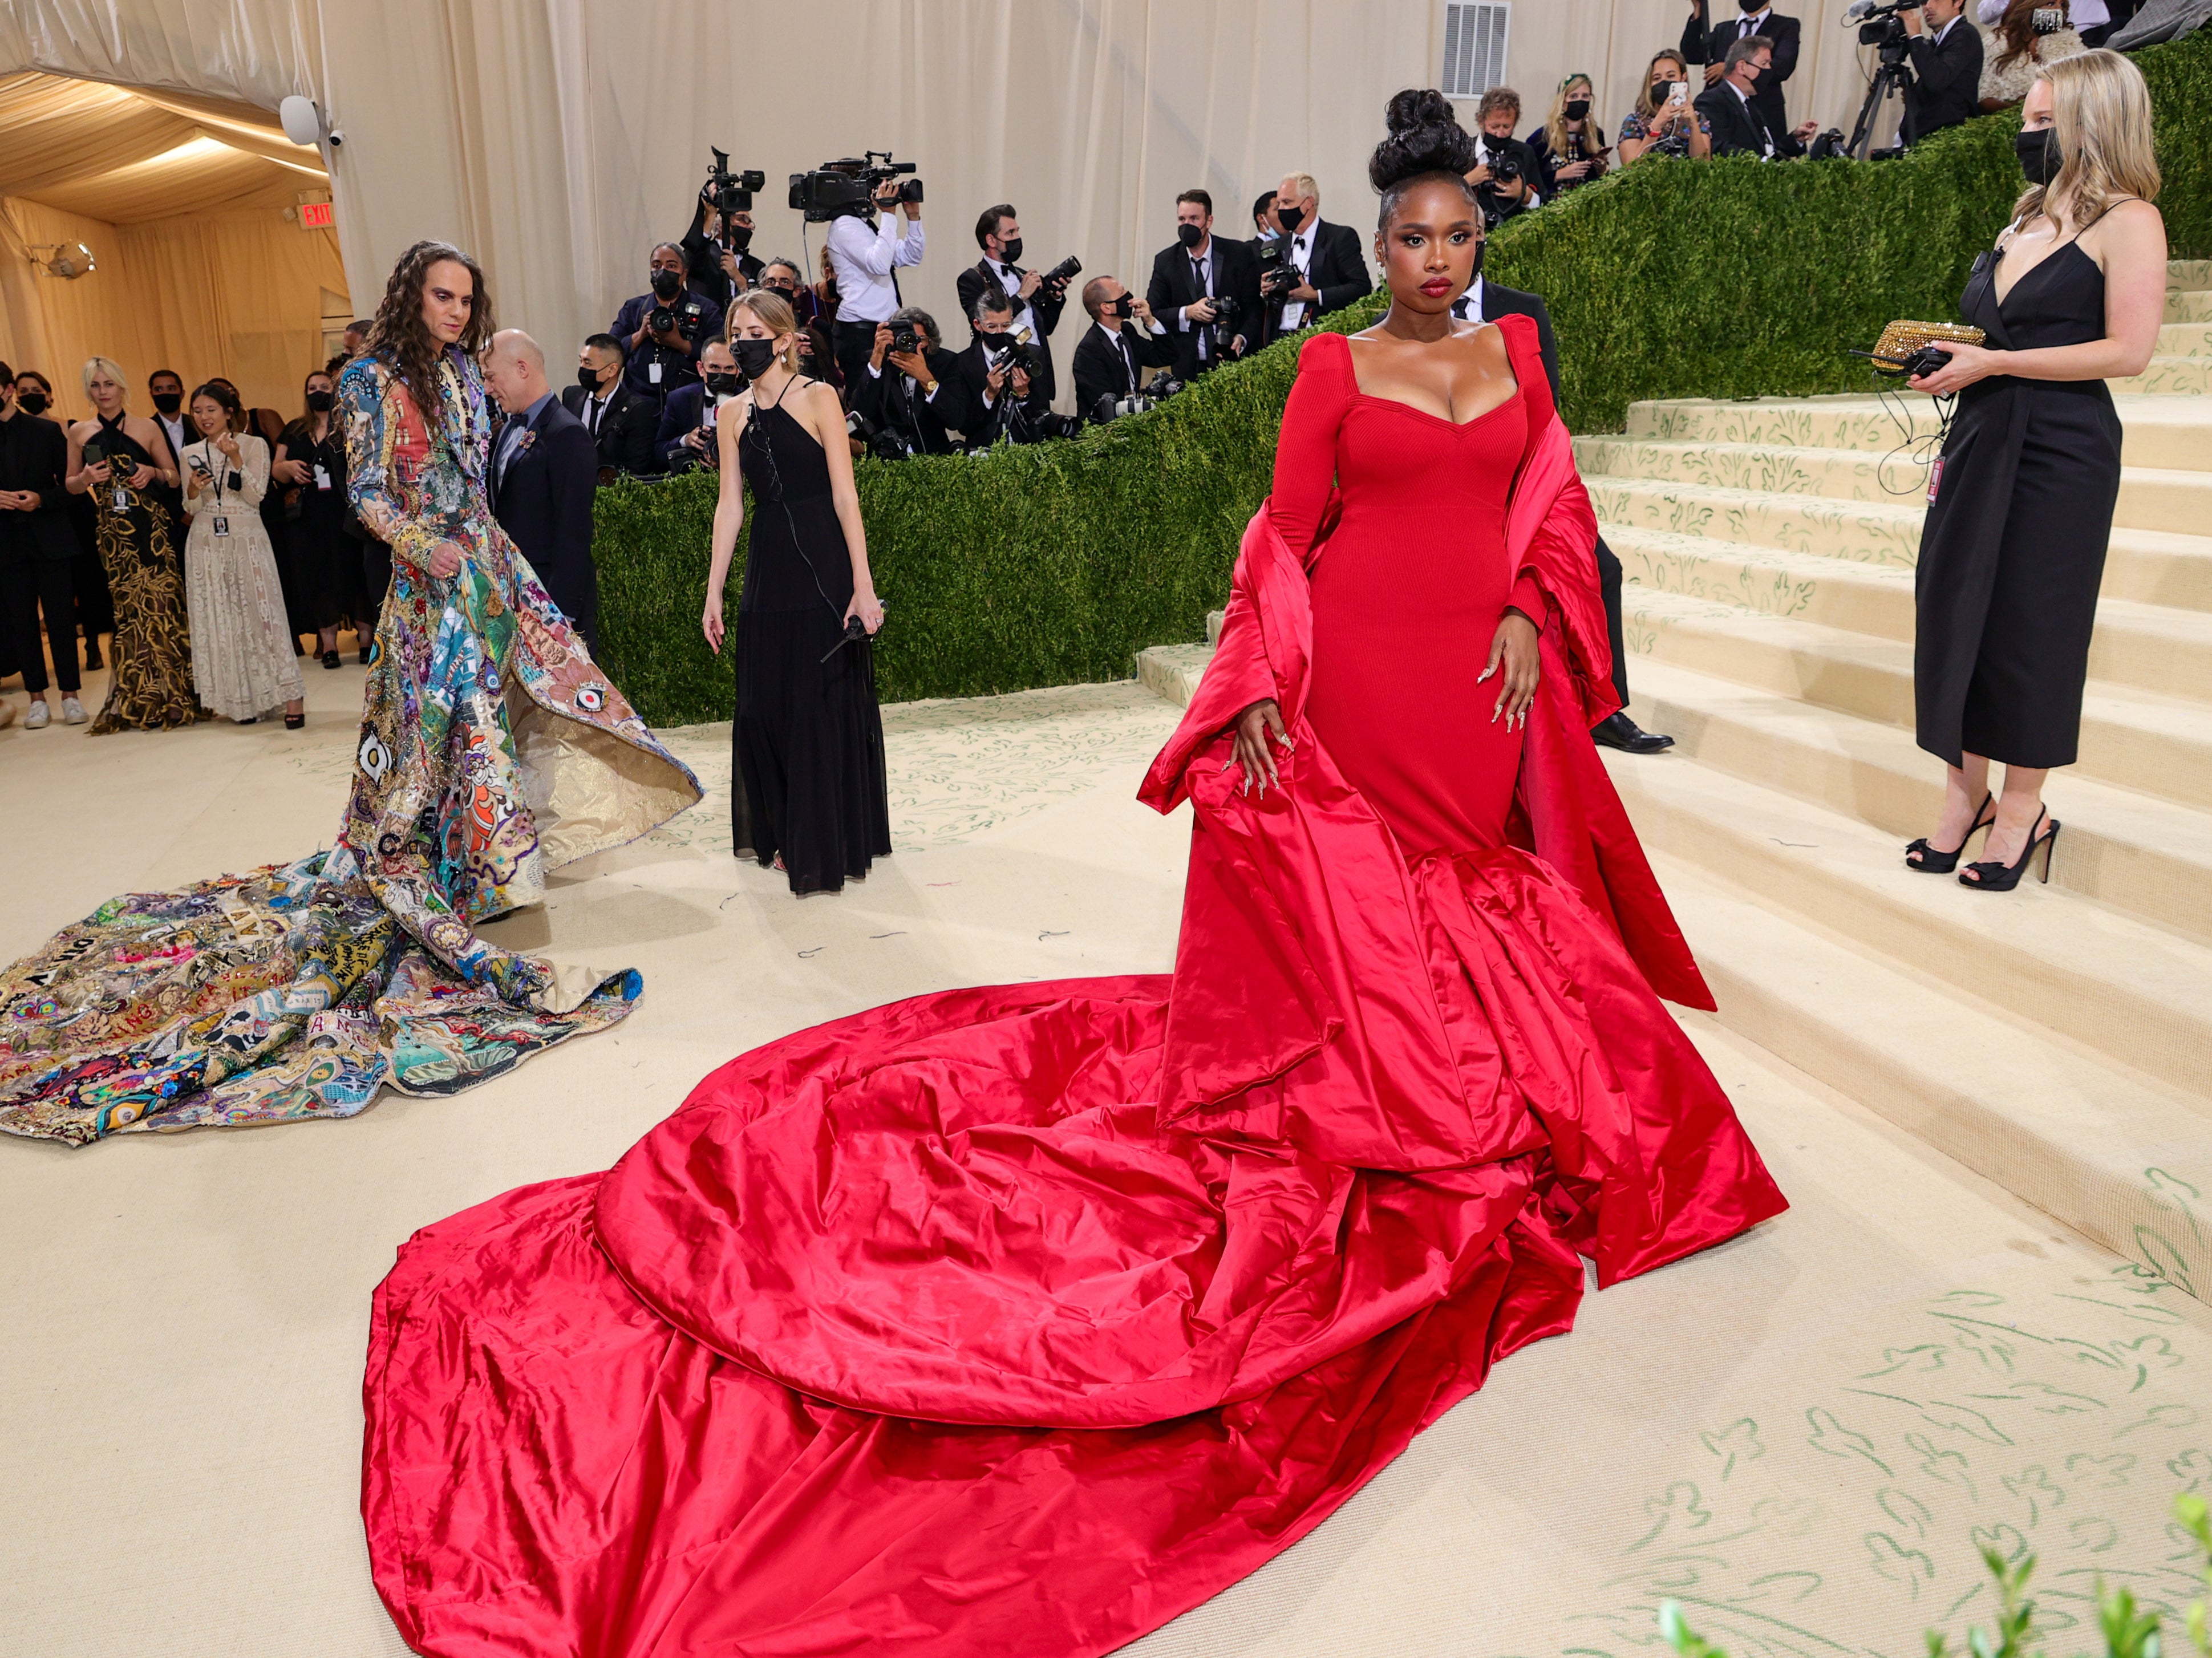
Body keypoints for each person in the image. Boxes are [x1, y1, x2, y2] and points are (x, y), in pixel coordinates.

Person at [356, 92, 1783, 1658]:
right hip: (1361, 674)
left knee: (1492, 905)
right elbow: (1283, 537)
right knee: (1381, 922)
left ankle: (1476, 1085)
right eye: (1410, 239)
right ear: (1374, 247)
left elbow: (1552, 503)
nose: (1436, 260)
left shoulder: (1517, 356)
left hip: (1475, 680)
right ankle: (1415, 1091)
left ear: (1478, 236)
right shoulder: (1327, 364)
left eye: (1457, 235)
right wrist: (1250, 688)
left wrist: (1528, 606)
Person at [0, 239, 700, 1145]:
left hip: (481, 570)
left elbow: (470, 478)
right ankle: (434, 871)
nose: (455, 310)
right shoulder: (370, 380)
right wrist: (425, 549)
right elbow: (365, 494)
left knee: (501, 718)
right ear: (412, 295)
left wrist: (482, 554)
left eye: (466, 299)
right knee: (432, 739)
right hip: (425, 584)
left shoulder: (460, 375)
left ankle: (485, 870)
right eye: (442, 295)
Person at [1905, 50, 2165, 890]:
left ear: (2096, 122)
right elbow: (2002, 336)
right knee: (1954, 609)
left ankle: (2020, 810)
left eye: (2046, 122)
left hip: (2062, 448)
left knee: (2030, 629)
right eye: (2028, 119)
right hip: (1981, 433)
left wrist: (1998, 367)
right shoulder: (2021, 215)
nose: (2029, 132)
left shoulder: (2128, 220)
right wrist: (1958, 357)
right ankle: (1961, 793)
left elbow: (2127, 351)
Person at [1446, 242, 1674, 754]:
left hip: (1523, 475)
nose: (1447, 252)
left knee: (1602, 568)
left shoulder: (1523, 308)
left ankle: (1606, 710)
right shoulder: (1405, 317)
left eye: (1464, 234)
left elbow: (1546, 402)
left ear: (1479, 239)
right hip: (1456, 486)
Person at [700, 287, 890, 894]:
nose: (743, 342)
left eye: (755, 331)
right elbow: (729, 506)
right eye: (736, 331)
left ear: (783, 340)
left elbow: (844, 495)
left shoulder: (818, 396)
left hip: (823, 562)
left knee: (817, 704)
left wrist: (863, 588)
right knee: (764, 705)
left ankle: (820, 837)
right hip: (767, 562)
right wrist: (714, 592)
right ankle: (781, 828)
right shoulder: (730, 412)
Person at [63, 356, 200, 733]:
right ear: (88, 391)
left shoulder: (146, 427)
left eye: (108, 384)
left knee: (162, 608)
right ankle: (143, 699)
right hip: (113, 534)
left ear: (122, 387)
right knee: (130, 617)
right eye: (95, 385)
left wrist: (153, 472)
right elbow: (70, 485)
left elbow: (174, 478)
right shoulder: (79, 431)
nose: (103, 392)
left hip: (152, 530)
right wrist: (86, 477)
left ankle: (175, 698)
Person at [177, 380, 305, 727]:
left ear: (229, 412)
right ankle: (242, 701)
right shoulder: (189, 451)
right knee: (223, 619)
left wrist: (235, 457)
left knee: (265, 615)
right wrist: (193, 487)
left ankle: (292, 697)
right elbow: (189, 505)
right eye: (198, 411)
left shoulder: (254, 444)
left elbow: (256, 496)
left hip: (247, 537)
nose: (204, 417)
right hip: (206, 541)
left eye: (211, 410)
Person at [484, 329, 601, 652]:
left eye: (492, 377)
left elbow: (574, 530)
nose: (487, 388)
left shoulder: (567, 434)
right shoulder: (509, 427)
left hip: (550, 605)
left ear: (522, 369)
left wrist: (560, 615)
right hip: (512, 598)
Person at [0, 359, 84, 728]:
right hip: (5, 542)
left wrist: (40, 499)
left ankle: (71, 695)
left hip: (50, 536)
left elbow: (69, 488)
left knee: (62, 618)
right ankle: (36, 698)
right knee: (21, 622)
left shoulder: (46, 431)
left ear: (7, 390)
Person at [18, 368, 110, 671]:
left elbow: (92, 468)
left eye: (36, 390)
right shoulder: (18, 433)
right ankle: (63, 648)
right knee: (58, 587)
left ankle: (93, 643)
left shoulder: (71, 427)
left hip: (78, 511)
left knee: (88, 579)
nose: (30, 396)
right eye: (24, 391)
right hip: (43, 512)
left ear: (48, 394)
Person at [273, 369, 356, 668]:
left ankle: (366, 640)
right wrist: (289, 469)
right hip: (308, 515)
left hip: (344, 510)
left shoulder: (348, 423)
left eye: (325, 386)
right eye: (312, 387)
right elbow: (276, 468)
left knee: (352, 572)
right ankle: (330, 646)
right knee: (319, 578)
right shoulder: (294, 429)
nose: (318, 391)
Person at [954, 204, 1070, 406]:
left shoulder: (1020, 273)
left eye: (1017, 231)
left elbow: (1046, 328)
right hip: (1001, 373)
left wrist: (1055, 298)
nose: (1017, 237)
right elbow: (981, 320)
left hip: (1035, 365)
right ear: (991, 240)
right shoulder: (971, 279)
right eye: (1010, 233)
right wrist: (1021, 295)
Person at [1145, 188, 1261, 382]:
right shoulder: (1166, 261)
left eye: (1194, 219)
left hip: (1233, 363)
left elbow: (1254, 307)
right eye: (1182, 219)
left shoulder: (1239, 253)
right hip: (1187, 367)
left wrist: (1242, 337)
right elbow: (1154, 312)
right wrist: (1188, 312)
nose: (1186, 225)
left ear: (1209, 221)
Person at [827, 175, 926, 397]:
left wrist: (913, 218)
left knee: (890, 399)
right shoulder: (844, 225)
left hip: (883, 325)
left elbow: (912, 255)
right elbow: (880, 264)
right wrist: (889, 215)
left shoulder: (864, 225)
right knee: (866, 401)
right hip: (859, 330)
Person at [1263, 173, 1371, 338]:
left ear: (1308, 203)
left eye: (1287, 202)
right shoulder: (1279, 245)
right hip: (1279, 341)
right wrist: (1265, 289)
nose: (1281, 210)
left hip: (1322, 337)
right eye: (1279, 204)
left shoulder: (1339, 238)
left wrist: (1317, 295)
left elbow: (1361, 287)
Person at [613, 244, 722, 405]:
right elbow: (611, 352)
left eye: (671, 266)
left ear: (684, 274)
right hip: (638, 403)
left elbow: (721, 356)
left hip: (688, 401)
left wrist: (681, 344)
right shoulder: (633, 308)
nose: (663, 271)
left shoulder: (706, 309)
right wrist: (641, 334)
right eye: (657, 266)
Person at [852, 307, 970, 456]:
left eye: (919, 340)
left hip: (933, 458)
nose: (911, 345)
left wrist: (926, 378)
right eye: (906, 339)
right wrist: (877, 361)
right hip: (886, 459)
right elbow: (860, 413)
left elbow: (956, 420)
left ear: (930, 342)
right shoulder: (876, 360)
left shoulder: (945, 362)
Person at [1683, 0, 1802, 135]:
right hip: (1722, 115)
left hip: (1764, 112)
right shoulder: (1723, 29)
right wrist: (1699, 10)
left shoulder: (1785, 26)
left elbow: (1783, 67)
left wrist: (1729, 68)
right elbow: (1692, 54)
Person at [955, 287, 1055, 444]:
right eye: (992, 327)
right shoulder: (963, 362)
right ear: (978, 325)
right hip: (985, 453)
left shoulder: (1033, 354)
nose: (1000, 332)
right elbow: (964, 426)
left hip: (1026, 449)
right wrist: (988, 395)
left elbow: (1043, 414)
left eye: (1006, 325)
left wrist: (1024, 394)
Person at [1071, 276, 1178, 418]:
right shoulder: (1089, 351)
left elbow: (1167, 356)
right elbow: (1104, 406)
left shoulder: (1127, 332)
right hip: (1106, 431)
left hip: (1132, 423)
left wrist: (1150, 321)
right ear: (1106, 308)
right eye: (1122, 293)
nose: (1129, 298)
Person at [1698, 37, 1823, 157]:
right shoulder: (1712, 101)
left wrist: (1795, 139)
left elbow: (1767, 151)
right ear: (1742, 67)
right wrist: (1761, 162)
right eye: (1764, 64)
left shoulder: (1751, 105)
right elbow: (1718, 147)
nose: (1769, 69)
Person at [564, 333, 658, 476]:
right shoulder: (571, 396)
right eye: (581, 361)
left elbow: (637, 469)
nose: (582, 368)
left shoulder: (637, 411)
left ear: (612, 370)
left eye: (588, 363)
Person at [1902, 0, 1986, 140]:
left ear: (1958, 2)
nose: (1928, 6)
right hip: (1927, 135)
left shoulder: (1965, 34)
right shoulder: (1939, 40)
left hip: (1948, 139)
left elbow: (1937, 79)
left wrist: (1916, 37)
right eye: (1923, 2)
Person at [1979, 0, 2087, 109]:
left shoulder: (2070, 45)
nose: (2058, 10)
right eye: (2051, 4)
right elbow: (1983, 97)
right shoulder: (1997, 43)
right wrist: (2018, 105)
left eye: (2062, 4)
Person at [655, 338, 742, 473]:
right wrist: (686, 440)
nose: (721, 374)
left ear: (738, 370)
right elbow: (658, 452)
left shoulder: (750, 402)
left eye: (729, 368)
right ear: (701, 369)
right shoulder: (679, 399)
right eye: (715, 367)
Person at [1619, 49, 1716, 162]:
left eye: (1671, 76)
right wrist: (1657, 124)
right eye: (1657, 78)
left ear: (1683, 78)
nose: (1664, 82)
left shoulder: (1699, 119)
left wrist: (1693, 124)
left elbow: (1703, 164)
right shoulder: (1634, 122)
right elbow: (1630, 168)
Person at [1526, 74, 1610, 197]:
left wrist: (1602, 169)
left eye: (1585, 96)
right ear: (1563, 101)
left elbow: (1601, 182)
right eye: (1574, 96)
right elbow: (1529, 178)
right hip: (1550, 207)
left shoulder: (1596, 134)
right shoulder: (1542, 137)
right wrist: (1559, 174)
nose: (1580, 101)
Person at [682, 188, 763, 312]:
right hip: (706, 326)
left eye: (750, 222)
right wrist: (710, 215)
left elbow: (761, 305)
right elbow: (687, 260)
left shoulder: (756, 266)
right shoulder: (703, 254)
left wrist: (739, 279)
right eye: (743, 219)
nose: (750, 226)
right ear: (722, 223)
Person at [1468, 90, 1541, 226]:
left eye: (1507, 127)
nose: (1500, 133)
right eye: (1494, 126)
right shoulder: (1463, 151)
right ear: (1481, 121)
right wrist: (1467, 182)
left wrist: (1524, 195)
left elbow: (1544, 202)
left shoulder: (1525, 153)